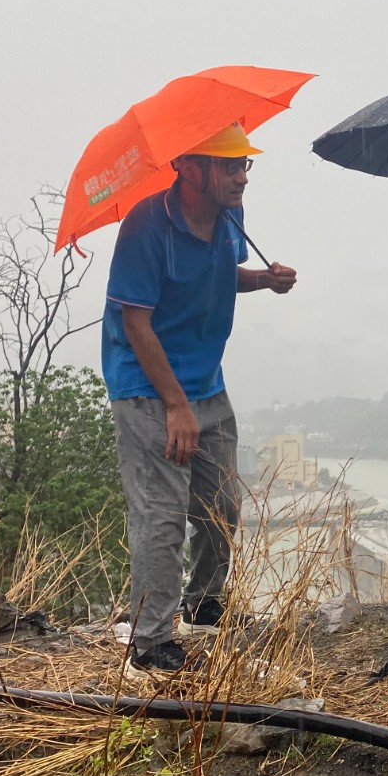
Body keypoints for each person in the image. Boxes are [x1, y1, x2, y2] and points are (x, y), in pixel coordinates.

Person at [102, 123, 297, 678]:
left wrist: (264, 280)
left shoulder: (230, 217)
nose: (241, 177)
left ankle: (204, 603)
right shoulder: (146, 226)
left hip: (206, 382)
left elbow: (219, 275)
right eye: (229, 165)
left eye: (244, 165)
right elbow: (135, 323)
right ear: (188, 168)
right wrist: (175, 405)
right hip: (148, 387)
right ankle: (151, 642)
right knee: (161, 514)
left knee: (221, 505)